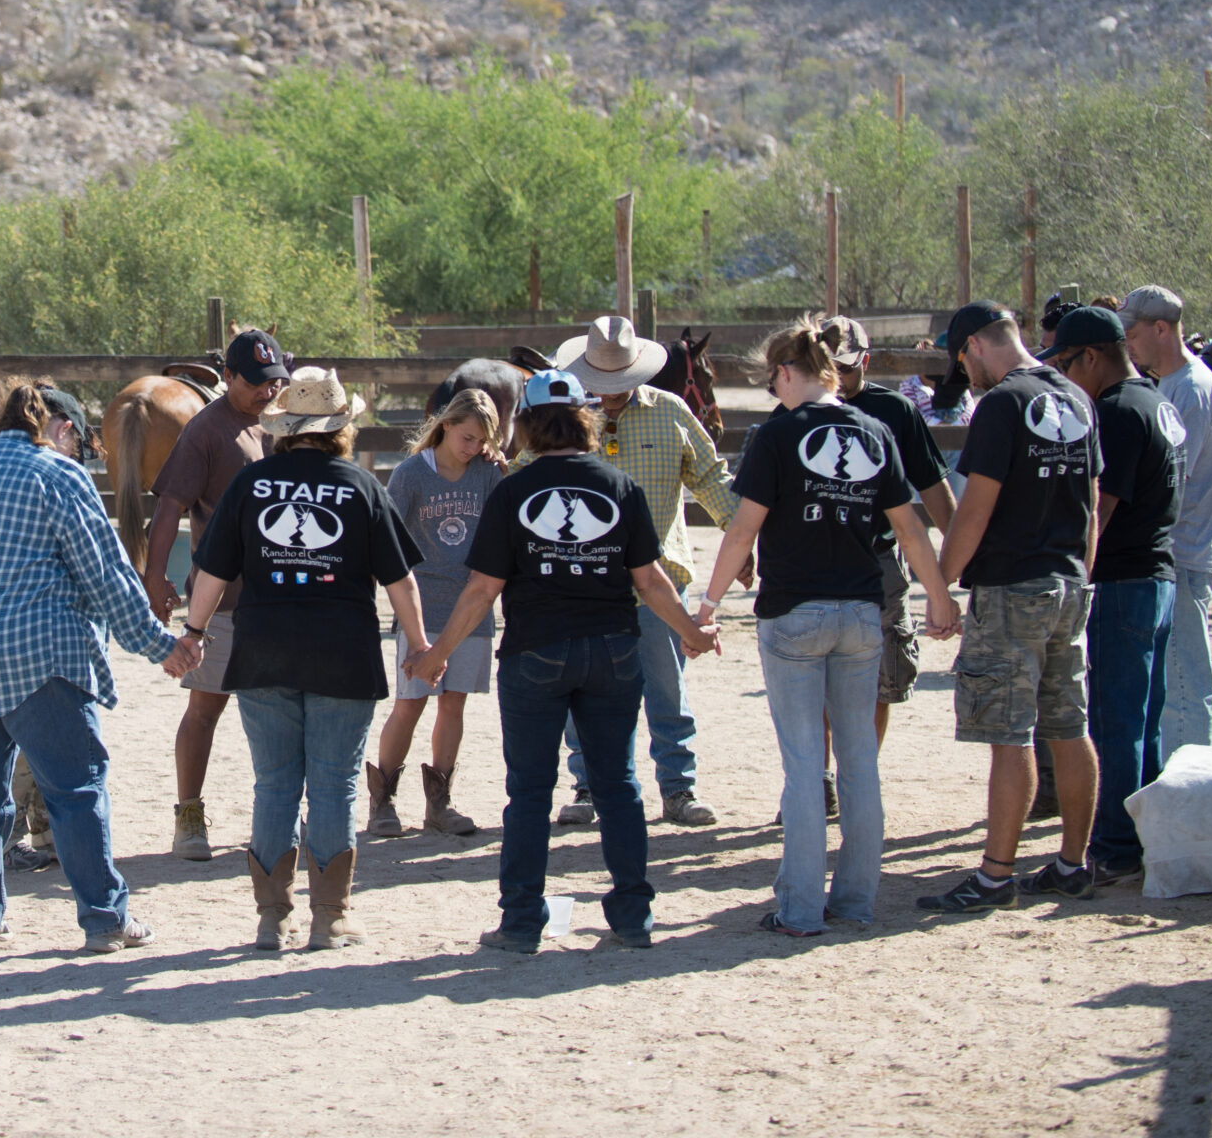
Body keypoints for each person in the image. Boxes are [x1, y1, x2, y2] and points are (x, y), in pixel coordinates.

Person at [409, 369, 721, 955]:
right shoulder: (618, 486)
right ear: (587, 418)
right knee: (618, 785)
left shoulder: (512, 491)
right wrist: (692, 633)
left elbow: (481, 591)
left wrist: (436, 655)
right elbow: (651, 583)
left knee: (528, 791)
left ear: (525, 423)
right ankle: (633, 916)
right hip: (611, 649)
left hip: (535, 652)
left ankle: (522, 921)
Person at [0, 379, 200, 952]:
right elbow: (105, 574)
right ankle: (105, 919)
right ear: (63, 430)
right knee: (76, 788)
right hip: (35, 654)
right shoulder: (58, 473)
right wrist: (158, 644)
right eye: (79, 442)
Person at [696, 320, 955, 937]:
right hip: (863, 609)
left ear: (786, 373)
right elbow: (912, 529)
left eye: (772, 381)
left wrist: (708, 602)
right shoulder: (874, 430)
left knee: (806, 764)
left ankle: (801, 908)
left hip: (793, 611)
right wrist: (940, 597)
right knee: (860, 760)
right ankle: (858, 901)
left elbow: (742, 529)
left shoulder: (776, 436)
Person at [185, 367, 428, 951]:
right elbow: (402, 583)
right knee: (335, 784)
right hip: (342, 652)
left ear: (283, 428)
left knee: (273, 784)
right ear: (341, 425)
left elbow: (212, 571)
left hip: (263, 649)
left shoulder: (252, 484)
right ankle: (330, 916)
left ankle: (272, 917)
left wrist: (193, 631)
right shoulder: (362, 487)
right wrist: (420, 647)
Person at [915, 301, 1103, 914]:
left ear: (973, 345)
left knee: (1010, 734)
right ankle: (1073, 862)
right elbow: (1091, 506)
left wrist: (940, 587)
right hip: (1070, 581)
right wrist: (1082, 576)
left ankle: (997, 876)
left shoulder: (1002, 404)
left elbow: (975, 510)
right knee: (1068, 726)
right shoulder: (1076, 399)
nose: (963, 373)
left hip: (1012, 587)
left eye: (959, 358)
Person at [550, 314, 736, 828]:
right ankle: (588, 784)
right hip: (584, 578)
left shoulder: (670, 412)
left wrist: (739, 533)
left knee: (665, 686)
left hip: (659, 577)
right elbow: (530, 476)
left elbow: (709, 474)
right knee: (586, 689)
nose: (608, 394)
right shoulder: (564, 419)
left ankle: (678, 788)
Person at [1042, 305, 1182, 888]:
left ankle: (1116, 847)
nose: (1067, 378)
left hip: (1124, 581)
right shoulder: (1155, 400)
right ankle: (1142, 834)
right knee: (1144, 721)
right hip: (1158, 578)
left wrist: (1075, 579)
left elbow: (1100, 509)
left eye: (1069, 364)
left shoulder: (1119, 412)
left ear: (1092, 357)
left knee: (1114, 721)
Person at [139, 327, 291, 861]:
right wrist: (155, 577)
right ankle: (188, 814)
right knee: (206, 708)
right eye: (254, 383)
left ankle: (276, 814)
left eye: (272, 381)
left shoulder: (284, 422)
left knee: (278, 713)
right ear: (227, 377)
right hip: (221, 599)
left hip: (277, 598)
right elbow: (170, 508)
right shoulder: (206, 431)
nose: (266, 392)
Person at [369, 388, 505, 838]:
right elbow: (386, 540)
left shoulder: (487, 474)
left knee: (454, 704)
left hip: (471, 607)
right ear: (445, 425)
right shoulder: (411, 474)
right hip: (421, 606)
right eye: (467, 438)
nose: (474, 448)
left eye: (482, 441)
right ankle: (383, 799)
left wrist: (500, 467)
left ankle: (439, 801)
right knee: (410, 703)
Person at [826, 315, 959, 759]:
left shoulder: (894, 411)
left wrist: (960, 563)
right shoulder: (796, 411)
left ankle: (859, 772)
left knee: (883, 678)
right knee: (819, 678)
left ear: (865, 360)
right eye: (827, 366)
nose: (837, 377)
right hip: (817, 560)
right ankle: (819, 778)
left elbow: (934, 489)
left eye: (845, 366)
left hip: (878, 555)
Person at [1118, 284, 1212, 757]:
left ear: (1161, 328)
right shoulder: (1172, 384)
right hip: (1177, 551)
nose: (1128, 343)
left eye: (1133, 332)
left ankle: (1189, 794)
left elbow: (1171, 479)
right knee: (1173, 682)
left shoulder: (1190, 391)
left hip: (1182, 551)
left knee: (1184, 682)